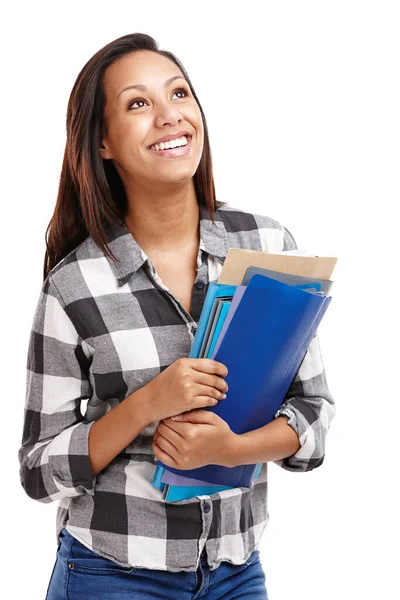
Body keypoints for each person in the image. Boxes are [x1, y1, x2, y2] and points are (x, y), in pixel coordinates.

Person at [17, 32, 336, 600]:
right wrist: (147, 404)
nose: (170, 117)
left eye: (179, 94)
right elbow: (39, 472)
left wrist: (232, 450)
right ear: (103, 142)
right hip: (111, 574)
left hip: (237, 573)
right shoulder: (73, 286)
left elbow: (313, 412)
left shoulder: (267, 244)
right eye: (138, 104)